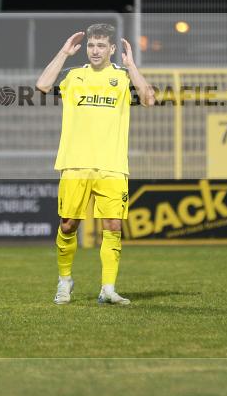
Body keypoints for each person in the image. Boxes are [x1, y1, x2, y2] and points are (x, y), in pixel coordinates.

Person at [36, 24, 155, 306]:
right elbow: (42, 85)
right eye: (91, 45)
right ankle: (65, 282)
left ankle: (108, 289)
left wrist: (132, 66)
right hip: (75, 163)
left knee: (113, 225)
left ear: (112, 49)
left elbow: (149, 98)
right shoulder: (73, 75)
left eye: (101, 46)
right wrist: (64, 52)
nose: (95, 50)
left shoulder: (123, 77)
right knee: (68, 225)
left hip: (112, 165)